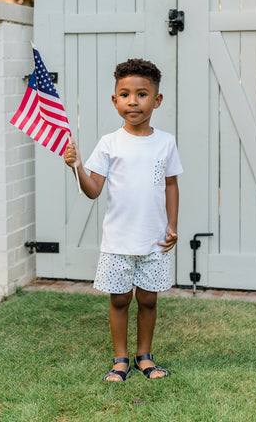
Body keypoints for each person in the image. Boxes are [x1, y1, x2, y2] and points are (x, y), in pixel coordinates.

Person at [64, 58, 183, 382]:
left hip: (153, 238)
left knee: (147, 298)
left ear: (156, 101)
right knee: (120, 300)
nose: (133, 101)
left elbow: (170, 184)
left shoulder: (165, 143)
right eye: (125, 94)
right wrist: (75, 166)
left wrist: (172, 226)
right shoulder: (109, 144)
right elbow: (93, 191)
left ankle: (144, 356)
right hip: (118, 240)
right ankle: (120, 359)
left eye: (142, 94)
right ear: (115, 100)